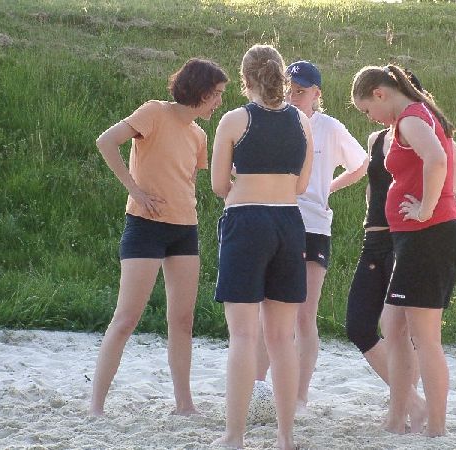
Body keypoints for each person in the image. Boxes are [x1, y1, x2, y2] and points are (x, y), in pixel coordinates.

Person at [89, 59, 228, 416]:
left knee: (182, 321)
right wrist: (135, 191)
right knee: (126, 319)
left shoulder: (199, 135)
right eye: (216, 94)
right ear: (200, 91)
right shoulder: (154, 112)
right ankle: (96, 406)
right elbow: (106, 142)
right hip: (145, 226)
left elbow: (188, 182)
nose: (219, 102)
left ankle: (185, 405)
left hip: (185, 230)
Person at [346, 72, 456, 433]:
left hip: (427, 236)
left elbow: (437, 160)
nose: (370, 118)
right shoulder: (415, 117)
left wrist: (425, 209)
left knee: (425, 338)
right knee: (392, 325)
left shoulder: (410, 118)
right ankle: (398, 416)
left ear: (380, 94)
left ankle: (436, 425)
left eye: (367, 110)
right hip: (414, 238)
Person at [210, 44, 313, 450]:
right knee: (282, 338)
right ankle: (286, 437)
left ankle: (234, 436)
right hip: (289, 223)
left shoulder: (235, 120)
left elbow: (219, 185)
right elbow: (301, 185)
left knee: (242, 336)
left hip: (246, 221)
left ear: (246, 79)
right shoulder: (302, 122)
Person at [255, 60, 369, 410]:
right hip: (274, 220)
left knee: (305, 314)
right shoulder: (272, 118)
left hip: (313, 225)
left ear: (317, 93)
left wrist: (327, 188)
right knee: (268, 312)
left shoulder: (329, 127)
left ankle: (300, 395)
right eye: (289, 89)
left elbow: (361, 164)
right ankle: (257, 387)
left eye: (301, 90)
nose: (293, 95)